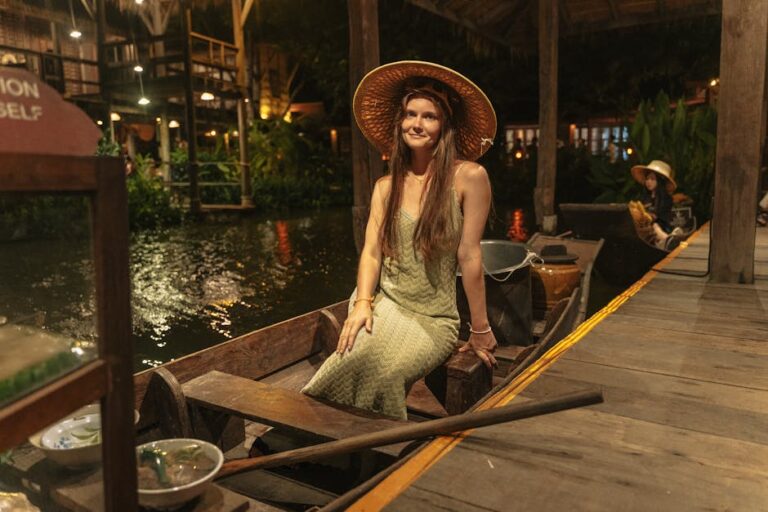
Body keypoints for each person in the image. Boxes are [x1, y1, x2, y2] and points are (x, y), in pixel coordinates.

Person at [302, 61, 498, 420]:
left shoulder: (469, 177)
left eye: (429, 116)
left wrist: (481, 329)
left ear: (445, 127)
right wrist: (362, 303)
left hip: (433, 319)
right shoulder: (385, 187)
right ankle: (312, 444)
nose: (417, 124)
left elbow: (470, 257)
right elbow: (372, 253)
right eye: (410, 114)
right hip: (386, 305)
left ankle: (371, 451)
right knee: (346, 361)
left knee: (388, 375)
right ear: (400, 121)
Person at [630, 160, 683, 250]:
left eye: (652, 179)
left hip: (660, 225)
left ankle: (668, 240)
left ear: (659, 181)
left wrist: (649, 216)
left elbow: (660, 216)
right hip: (645, 227)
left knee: (655, 226)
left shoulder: (666, 198)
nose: (648, 182)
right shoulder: (644, 197)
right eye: (647, 179)